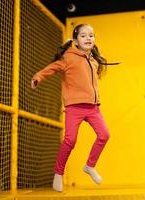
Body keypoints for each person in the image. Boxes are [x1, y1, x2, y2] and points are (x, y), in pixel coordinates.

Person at [31, 24, 118, 192]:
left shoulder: (93, 61)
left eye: (91, 35)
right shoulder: (68, 58)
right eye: (84, 36)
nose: (88, 38)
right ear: (76, 41)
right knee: (70, 140)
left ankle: (89, 166)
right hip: (74, 107)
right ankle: (58, 173)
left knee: (104, 134)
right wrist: (38, 77)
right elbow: (52, 69)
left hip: (93, 107)